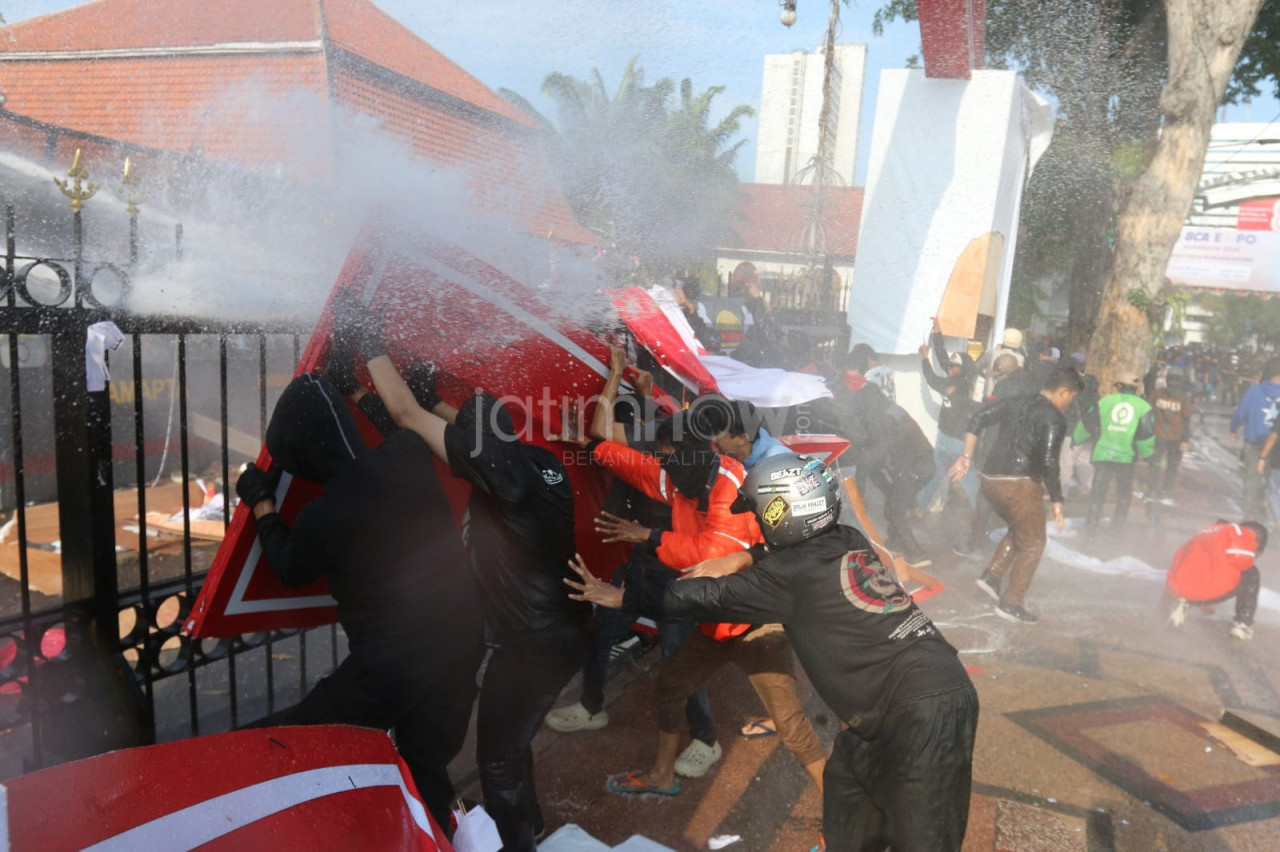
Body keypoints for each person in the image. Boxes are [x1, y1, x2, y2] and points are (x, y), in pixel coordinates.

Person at [566, 452, 978, 851]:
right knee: (848, 798)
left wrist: (625, 596)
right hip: (898, 702)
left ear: (784, 513)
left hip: (923, 709)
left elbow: (692, 597)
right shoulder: (845, 537)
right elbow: (784, 558)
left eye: (759, 511)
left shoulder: (786, 578)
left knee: (923, 841)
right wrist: (743, 556)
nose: (756, 520)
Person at [337, 303, 589, 850]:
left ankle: (516, 842)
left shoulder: (503, 473)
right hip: (552, 632)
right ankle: (531, 823)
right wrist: (368, 396)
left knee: (496, 760)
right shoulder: (528, 458)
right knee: (512, 743)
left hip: (533, 645)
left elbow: (407, 420)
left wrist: (366, 340)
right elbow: (438, 426)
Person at [234, 369, 484, 833]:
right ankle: (444, 834)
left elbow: (289, 568)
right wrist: (354, 390)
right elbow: (402, 425)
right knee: (426, 764)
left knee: (301, 741)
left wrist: (261, 501)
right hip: (463, 640)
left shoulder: (326, 514)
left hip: (395, 663)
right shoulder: (408, 453)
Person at [554, 413, 827, 799]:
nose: (661, 467)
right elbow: (638, 467)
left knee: (789, 724)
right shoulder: (679, 476)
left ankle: (837, 815)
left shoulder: (731, 483)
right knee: (670, 686)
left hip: (754, 622)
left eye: (668, 458)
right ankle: (662, 775)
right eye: (662, 459)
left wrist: (647, 542)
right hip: (714, 621)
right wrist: (591, 446)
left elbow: (710, 556)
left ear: (696, 455)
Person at [545, 350, 721, 782]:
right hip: (642, 564)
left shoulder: (691, 469)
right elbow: (606, 436)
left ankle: (707, 739)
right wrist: (629, 385)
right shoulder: (660, 447)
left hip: (676, 571)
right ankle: (591, 706)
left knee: (678, 659)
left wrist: (614, 373)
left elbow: (603, 433)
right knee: (602, 628)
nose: (657, 447)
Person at [949, 364, 1083, 623]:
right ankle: (1011, 604)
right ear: (1064, 391)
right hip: (1018, 484)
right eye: (1071, 398)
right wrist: (1057, 499)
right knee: (1034, 543)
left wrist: (966, 457)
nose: (1068, 404)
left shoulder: (1017, 401)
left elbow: (976, 419)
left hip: (989, 481)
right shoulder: (1054, 418)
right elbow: (1048, 460)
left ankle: (991, 576)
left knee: (1022, 528)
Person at [818, 354, 935, 566]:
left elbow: (877, 456)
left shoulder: (882, 420)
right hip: (916, 463)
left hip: (916, 466)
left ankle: (918, 554)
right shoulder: (887, 408)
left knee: (894, 509)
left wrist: (856, 479)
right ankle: (896, 542)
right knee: (895, 499)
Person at [1076, 373, 1155, 537]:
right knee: (1123, 495)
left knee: (1098, 493)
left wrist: (1076, 439)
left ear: (1118, 386)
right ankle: (1116, 531)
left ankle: (1090, 530)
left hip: (1103, 455)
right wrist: (1149, 456)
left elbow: (1087, 424)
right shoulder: (1143, 407)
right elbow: (1145, 434)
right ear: (1136, 388)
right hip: (1126, 457)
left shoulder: (1105, 401)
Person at [1165, 520, 1267, 641]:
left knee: (1195, 577)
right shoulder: (1241, 542)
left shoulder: (1212, 533)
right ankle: (1243, 623)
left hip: (1175, 588)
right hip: (1202, 590)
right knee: (1250, 574)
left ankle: (1182, 602)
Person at [917, 317, 979, 513]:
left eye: (953, 367)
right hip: (943, 436)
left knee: (964, 478)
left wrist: (925, 359)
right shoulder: (957, 375)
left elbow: (934, 380)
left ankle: (978, 513)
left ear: (962, 369)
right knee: (937, 474)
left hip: (956, 440)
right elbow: (944, 359)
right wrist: (937, 333)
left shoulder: (958, 384)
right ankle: (922, 506)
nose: (949, 368)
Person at [1230, 357, 1280, 522]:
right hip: (1275, 446)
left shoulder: (1255, 390)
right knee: (1272, 481)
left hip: (1254, 442)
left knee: (1252, 477)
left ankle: (1249, 514)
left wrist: (1234, 428)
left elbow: (1241, 412)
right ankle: (1268, 509)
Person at [1147, 367, 1195, 505]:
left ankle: (1165, 491)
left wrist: (1185, 440)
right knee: (1157, 465)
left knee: (1170, 466)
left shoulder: (1183, 398)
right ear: (1167, 380)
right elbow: (1148, 414)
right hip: (1159, 436)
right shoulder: (1157, 394)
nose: (1174, 382)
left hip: (1175, 438)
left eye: (1176, 379)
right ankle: (1154, 490)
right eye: (1172, 379)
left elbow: (1186, 420)